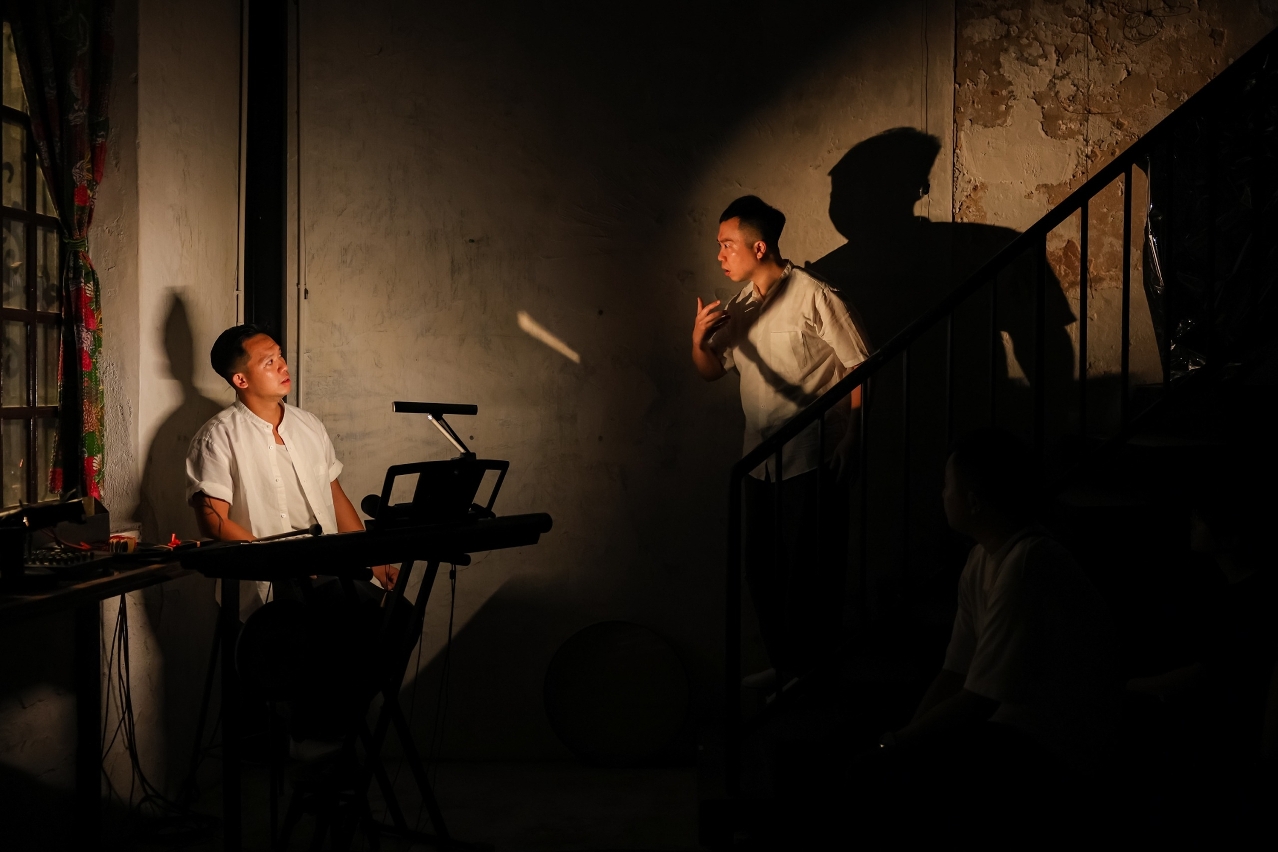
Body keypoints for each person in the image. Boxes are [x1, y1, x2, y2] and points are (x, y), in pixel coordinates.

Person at [872, 428, 1117, 835]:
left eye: (947, 485)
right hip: (1017, 735)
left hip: (1057, 749)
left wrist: (896, 745)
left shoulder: (1028, 563)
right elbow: (955, 672)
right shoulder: (981, 560)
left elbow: (978, 701)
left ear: (973, 501)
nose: (942, 495)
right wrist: (904, 740)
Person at [692, 195, 871, 684]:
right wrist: (698, 340)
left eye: (727, 244)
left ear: (759, 246)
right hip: (758, 461)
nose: (720, 254)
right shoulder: (741, 305)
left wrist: (853, 436)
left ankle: (810, 676)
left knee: (808, 573)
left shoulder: (816, 295)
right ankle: (788, 668)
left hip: (811, 457)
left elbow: (862, 364)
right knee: (761, 571)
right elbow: (711, 370)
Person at [186, 324, 397, 616]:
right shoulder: (217, 437)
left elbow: (335, 497)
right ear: (241, 379)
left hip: (330, 569)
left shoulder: (309, 425)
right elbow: (213, 522)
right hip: (268, 581)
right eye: (269, 362)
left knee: (398, 617)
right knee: (354, 624)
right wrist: (282, 560)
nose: (283, 366)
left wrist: (373, 560)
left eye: (280, 356)